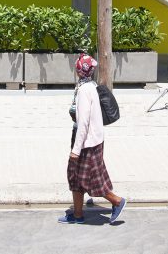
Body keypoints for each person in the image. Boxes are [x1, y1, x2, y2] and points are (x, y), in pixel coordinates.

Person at [59, 54, 127, 224]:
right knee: (76, 177)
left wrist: (75, 150)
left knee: (91, 180)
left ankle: (117, 201)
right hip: (92, 139)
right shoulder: (89, 85)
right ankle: (78, 215)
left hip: (87, 142)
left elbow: (83, 124)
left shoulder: (84, 90)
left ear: (78, 70)